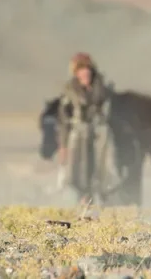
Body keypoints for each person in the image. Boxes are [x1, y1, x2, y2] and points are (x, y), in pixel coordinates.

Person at [56, 52, 113, 202]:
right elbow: (63, 119)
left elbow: (110, 112)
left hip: (100, 131)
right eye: (81, 70)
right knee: (78, 158)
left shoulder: (102, 88)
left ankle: (104, 190)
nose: (85, 73)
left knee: (106, 147)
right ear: (76, 73)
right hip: (79, 133)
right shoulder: (70, 90)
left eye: (87, 69)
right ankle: (82, 193)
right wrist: (63, 144)